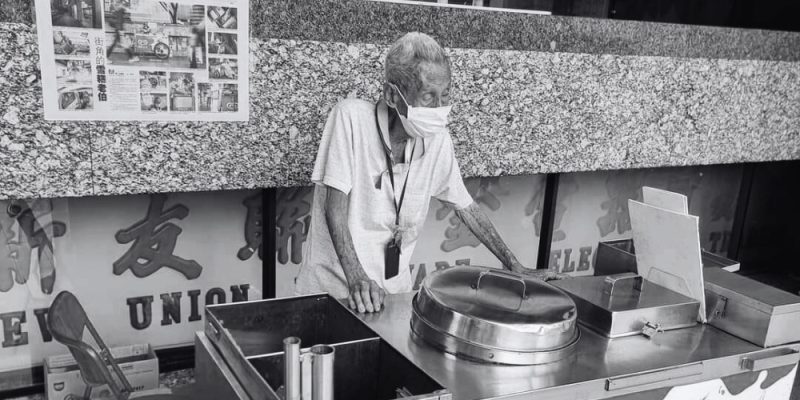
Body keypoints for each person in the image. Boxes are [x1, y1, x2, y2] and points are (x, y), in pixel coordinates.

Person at [296, 32, 561, 313]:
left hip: (390, 296)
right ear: (391, 95)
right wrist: (357, 278)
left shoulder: (437, 138)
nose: (439, 109)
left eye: (445, 95)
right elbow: (334, 206)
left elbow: (466, 207)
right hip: (333, 292)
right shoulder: (349, 118)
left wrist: (514, 264)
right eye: (427, 96)